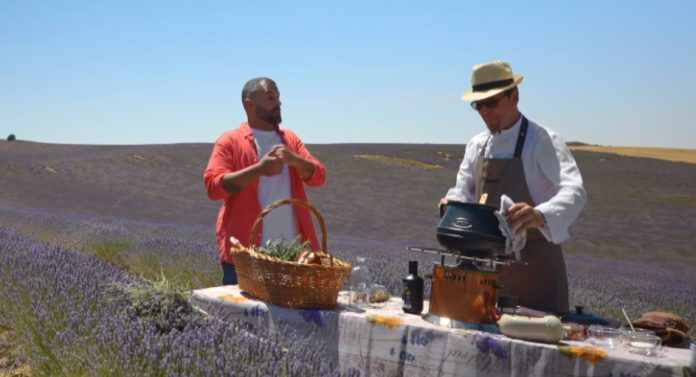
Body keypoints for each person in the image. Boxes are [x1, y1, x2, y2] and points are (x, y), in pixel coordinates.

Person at [440, 61, 587, 314]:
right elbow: (463, 190)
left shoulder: (542, 140)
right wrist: (451, 204)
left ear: (515, 97)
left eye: (492, 102)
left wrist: (540, 214)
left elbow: (575, 190)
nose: (485, 112)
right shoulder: (477, 146)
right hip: (486, 268)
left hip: (535, 269)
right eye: (479, 105)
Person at [204, 77, 327, 285]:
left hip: (294, 258)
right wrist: (259, 170)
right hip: (246, 259)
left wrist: (294, 159)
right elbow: (213, 187)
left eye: (278, 98)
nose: (278, 103)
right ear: (249, 105)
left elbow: (319, 176)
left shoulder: (291, 140)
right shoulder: (230, 141)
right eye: (271, 98)